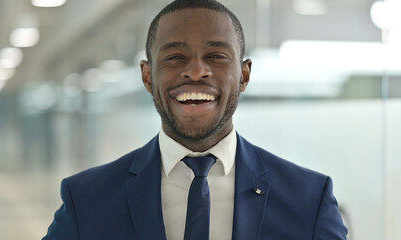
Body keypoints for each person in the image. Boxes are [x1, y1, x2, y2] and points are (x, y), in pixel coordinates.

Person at [43, 0, 348, 239]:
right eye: (175, 57)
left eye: (216, 56)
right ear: (148, 77)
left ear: (244, 75)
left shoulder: (309, 198)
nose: (196, 71)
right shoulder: (87, 199)